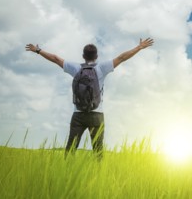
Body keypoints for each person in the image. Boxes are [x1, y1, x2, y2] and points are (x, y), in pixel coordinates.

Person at [25, 38, 154, 158]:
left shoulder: (75, 68)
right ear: (96, 57)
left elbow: (55, 58)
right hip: (97, 115)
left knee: (70, 151)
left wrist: (38, 50)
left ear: (83, 56)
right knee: (98, 152)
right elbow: (122, 57)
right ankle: (99, 177)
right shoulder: (102, 68)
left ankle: (66, 176)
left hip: (78, 115)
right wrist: (139, 47)